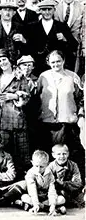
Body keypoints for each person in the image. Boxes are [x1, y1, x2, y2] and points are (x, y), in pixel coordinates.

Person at [36, 50, 85, 179]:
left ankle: (68, 185)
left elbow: (81, 99)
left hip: (67, 124)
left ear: (63, 61)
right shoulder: (43, 77)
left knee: (65, 156)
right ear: (48, 63)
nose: (56, 64)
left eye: (58, 61)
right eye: (52, 62)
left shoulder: (72, 76)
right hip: (47, 123)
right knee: (48, 155)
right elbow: (36, 97)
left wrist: (80, 115)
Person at [0, 49, 31, 174]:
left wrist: (15, 96)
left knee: (21, 152)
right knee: (3, 152)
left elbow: (27, 96)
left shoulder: (19, 77)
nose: (2, 63)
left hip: (15, 118)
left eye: (4, 59)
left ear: (10, 60)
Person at [27, 0, 77, 75]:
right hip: (38, 68)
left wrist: (65, 39)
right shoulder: (32, 27)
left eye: (49, 9)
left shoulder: (62, 26)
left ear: (54, 10)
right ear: (40, 11)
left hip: (57, 68)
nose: (47, 12)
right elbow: (28, 47)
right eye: (44, 9)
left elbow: (74, 45)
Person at [16, 150, 66, 215]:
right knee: (24, 197)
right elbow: (32, 190)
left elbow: (52, 191)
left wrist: (52, 205)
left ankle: (43, 208)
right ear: (32, 162)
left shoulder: (50, 174)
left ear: (47, 164)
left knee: (61, 199)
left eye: (42, 167)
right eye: (36, 166)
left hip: (46, 198)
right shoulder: (30, 173)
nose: (38, 169)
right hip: (34, 197)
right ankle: (48, 208)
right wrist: (36, 204)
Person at [0, 2, 27, 66]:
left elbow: (28, 49)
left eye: (10, 10)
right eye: (5, 10)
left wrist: (24, 41)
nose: (7, 13)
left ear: (14, 13)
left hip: (16, 64)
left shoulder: (20, 27)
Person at [47, 144, 84, 208]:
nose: (62, 156)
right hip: (55, 191)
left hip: (70, 190)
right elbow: (48, 182)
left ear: (68, 154)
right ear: (53, 155)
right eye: (58, 154)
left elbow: (78, 183)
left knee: (81, 196)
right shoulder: (50, 166)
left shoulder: (73, 165)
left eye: (64, 154)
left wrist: (64, 183)